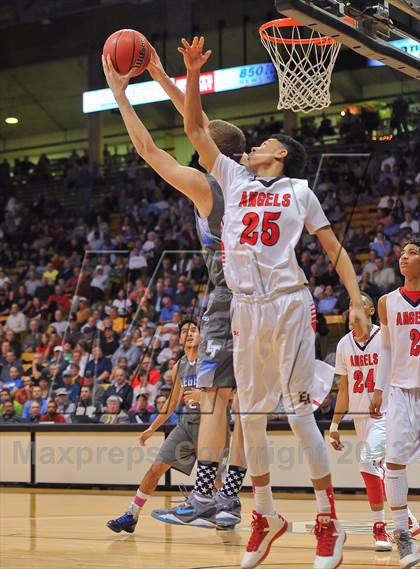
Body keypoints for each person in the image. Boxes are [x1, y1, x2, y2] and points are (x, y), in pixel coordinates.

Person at [179, 36, 369, 569]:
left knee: (299, 412)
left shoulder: (300, 191)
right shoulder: (234, 178)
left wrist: (357, 298)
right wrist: (192, 73)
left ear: (279, 154)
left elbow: (334, 250)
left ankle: (329, 526)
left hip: (288, 303)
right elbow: (196, 129)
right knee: (252, 416)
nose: (251, 146)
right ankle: (265, 516)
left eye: (261, 142)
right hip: (245, 307)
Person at [102, 46, 247, 529]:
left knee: (213, 398)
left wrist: (122, 95)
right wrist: (164, 74)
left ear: (206, 152)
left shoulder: (209, 187)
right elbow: (197, 122)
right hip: (268, 299)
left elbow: (148, 150)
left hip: (231, 299)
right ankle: (230, 500)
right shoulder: (253, 183)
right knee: (243, 403)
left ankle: (206, 498)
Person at [330, 292, 419, 550]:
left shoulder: (385, 338)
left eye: (361, 305)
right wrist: (335, 425)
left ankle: (379, 528)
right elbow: (344, 390)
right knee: (379, 470)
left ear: (371, 312)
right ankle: (409, 519)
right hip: (361, 420)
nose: (354, 311)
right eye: (350, 306)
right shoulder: (344, 345)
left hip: (387, 414)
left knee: (368, 462)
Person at [370, 237, 420, 568]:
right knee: (395, 461)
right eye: (402, 253)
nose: (403, 258)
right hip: (401, 390)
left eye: (413, 253)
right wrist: (378, 388)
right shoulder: (387, 302)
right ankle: (402, 535)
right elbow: (386, 349)